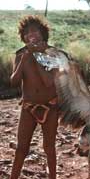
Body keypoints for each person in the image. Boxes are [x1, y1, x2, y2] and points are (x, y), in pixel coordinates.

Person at [10, 15, 59, 179]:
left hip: (50, 107)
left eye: (35, 30)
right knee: (21, 148)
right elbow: (14, 81)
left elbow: (48, 82)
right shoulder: (21, 55)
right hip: (28, 108)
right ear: (23, 37)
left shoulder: (52, 54)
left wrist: (37, 57)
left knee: (49, 147)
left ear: (42, 33)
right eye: (27, 32)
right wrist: (25, 59)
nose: (31, 34)